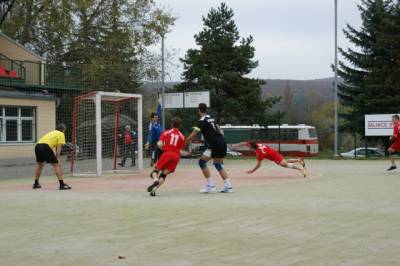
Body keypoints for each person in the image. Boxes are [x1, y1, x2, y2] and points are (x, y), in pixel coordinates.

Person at [185, 103, 233, 193]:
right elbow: (221, 131)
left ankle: (210, 185)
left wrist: (185, 142)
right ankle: (228, 185)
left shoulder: (202, 121)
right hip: (222, 141)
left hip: (214, 144)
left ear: (199, 110)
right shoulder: (212, 119)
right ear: (206, 109)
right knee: (217, 164)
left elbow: (193, 135)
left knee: (202, 162)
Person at [147, 117, 185, 196]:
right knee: (164, 174)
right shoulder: (182, 136)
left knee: (155, 171)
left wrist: (163, 148)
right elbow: (181, 150)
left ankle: (155, 179)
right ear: (180, 125)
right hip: (176, 157)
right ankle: (154, 190)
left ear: (172, 124)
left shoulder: (166, 132)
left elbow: (159, 144)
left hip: (167, 153)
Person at [33, 123, 71, 190]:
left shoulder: (52, 132)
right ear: (63, 130)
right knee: (56, 165)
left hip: (37, 146)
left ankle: (36, 184)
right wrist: (58, 158)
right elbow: (59, 148)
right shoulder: (61, 134)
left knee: (40, 165)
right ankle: (62, 185)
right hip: (45, 146)